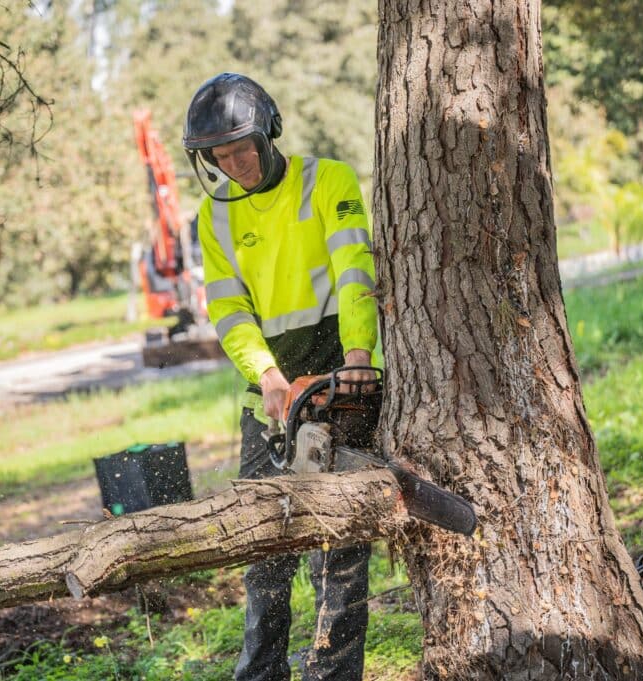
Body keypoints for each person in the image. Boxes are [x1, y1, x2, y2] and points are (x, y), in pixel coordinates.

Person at [182, 73, 378, 680]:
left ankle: (333, 673)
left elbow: (352, 268)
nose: (232, 163)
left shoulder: (328, 180)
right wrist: (265, 375)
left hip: (341, 386)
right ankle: (262, 672)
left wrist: (357, 356)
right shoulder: (212, 216)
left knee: (339, 552)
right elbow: (229, 308)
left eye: (242, 148)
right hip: (268, 400)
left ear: (269, 132)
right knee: (265, 550)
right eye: (219, 155)